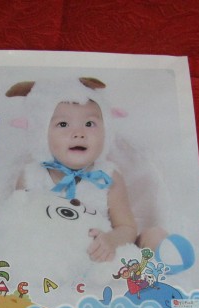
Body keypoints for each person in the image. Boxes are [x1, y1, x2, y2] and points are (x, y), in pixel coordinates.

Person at [8, 77, 166, 262]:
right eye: (63, 124)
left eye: (89, 124)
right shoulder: (31, 177)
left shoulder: (108, 177)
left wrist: (111, 240)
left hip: (96, 259)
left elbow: (127, 227)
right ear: (41, 133)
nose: (79, 133)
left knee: (155, 237)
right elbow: (15, 223)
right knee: (0, 238)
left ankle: (161, 264)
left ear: (106, 131)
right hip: (49, 259)